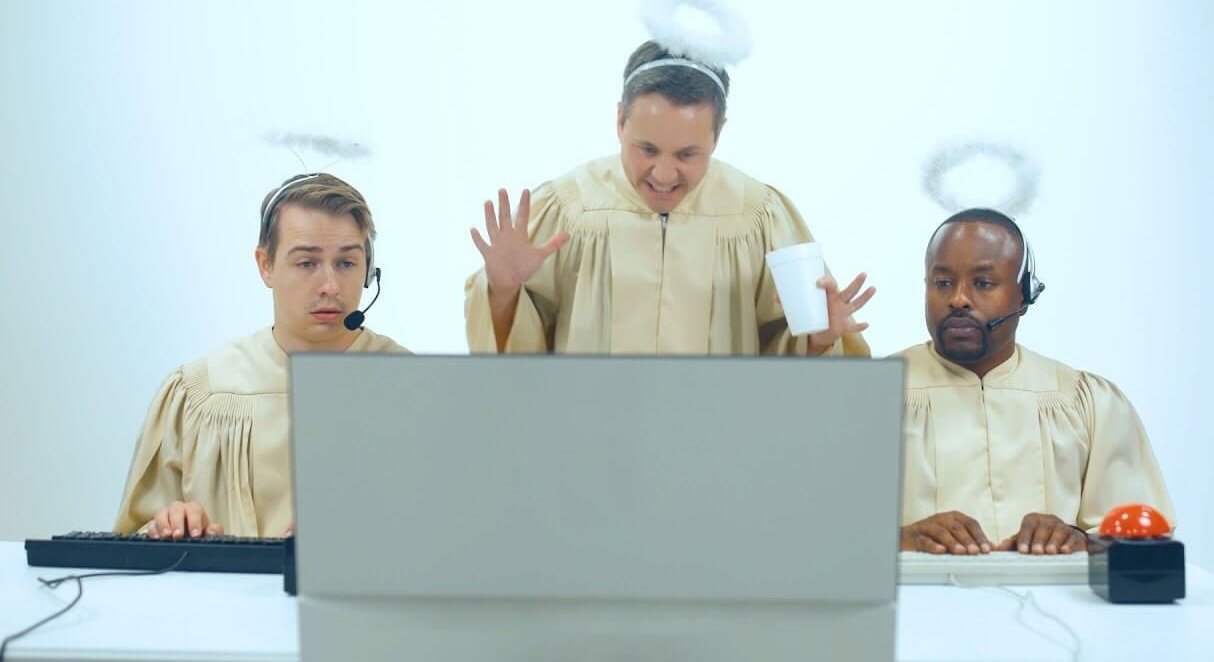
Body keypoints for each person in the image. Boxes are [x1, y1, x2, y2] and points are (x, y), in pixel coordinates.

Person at [464, 39, 873, 355]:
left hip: (717, 449)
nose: (662, 175)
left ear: (718, 133)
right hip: (589, 446)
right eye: (647, 149)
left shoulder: (758, 216)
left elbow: (797, 374)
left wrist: (818, 340)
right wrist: (503, 292)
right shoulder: (567, 209)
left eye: (687, 154)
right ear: (620, 121)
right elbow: (515, 370)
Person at [114, 173, 408, 538]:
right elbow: (130, 541)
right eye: (306, 263)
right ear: (265, 265)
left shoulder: (411, 387)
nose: (330, 286)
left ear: (368, 269)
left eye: (346, 263)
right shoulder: (198, 391)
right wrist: (168, 527)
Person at [897, 208, 1173, 555]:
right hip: (918, 606)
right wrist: (900, 539)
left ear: (1024, 295)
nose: (958, 299)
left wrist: (1078, 540)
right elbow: (822, 535)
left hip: (1053, 607)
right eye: (942, 283)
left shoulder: (1087, 402)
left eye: (982, 283)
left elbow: (1143, 545)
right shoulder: (871, 397)